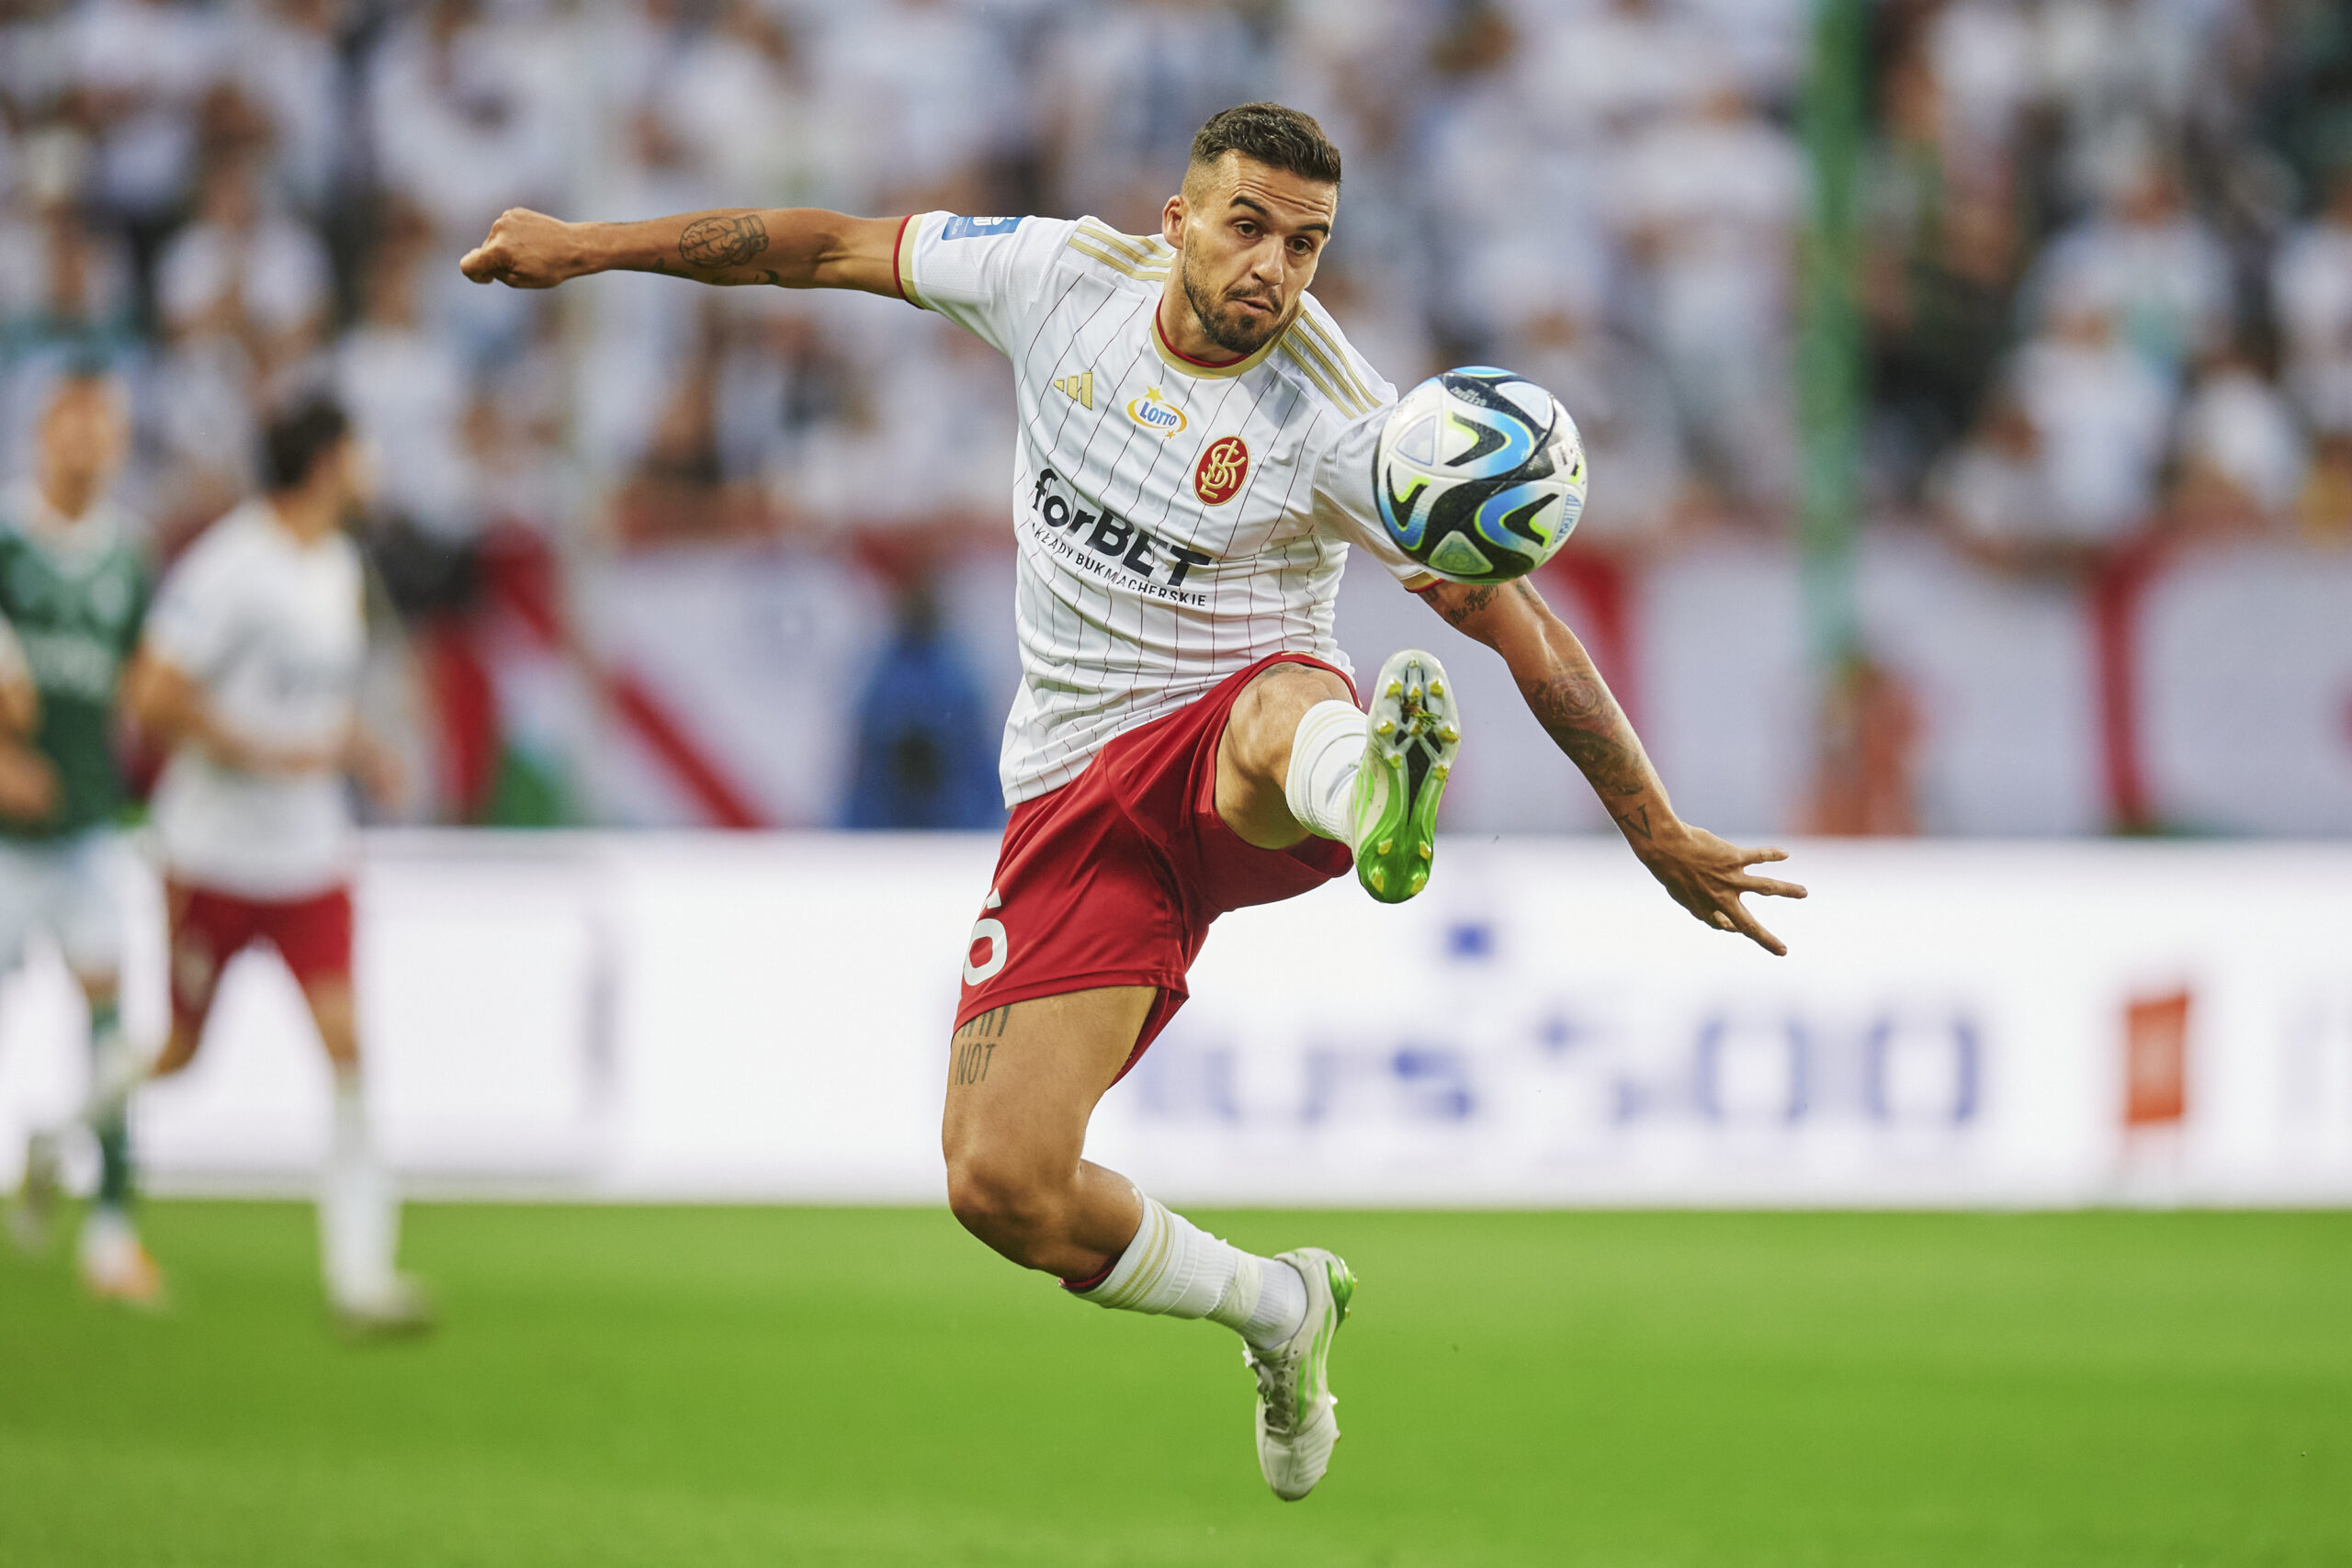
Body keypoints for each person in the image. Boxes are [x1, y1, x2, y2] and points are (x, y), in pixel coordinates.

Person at [461, 101, 1803, 1498]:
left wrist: (1652, 825)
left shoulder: (1344, 425)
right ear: (1177, 220)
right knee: (1001, 1184)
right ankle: (1276, 1306)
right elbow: (821, 246)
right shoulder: (1053, 280)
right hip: (1073, 792)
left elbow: (1520, 626)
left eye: (1306, 244)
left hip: (1237, 752)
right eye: (1247, 226)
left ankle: (1375, 800)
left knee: (1280, 704)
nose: (1272, 268)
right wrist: (586, 247)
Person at [120, 395, 429, 1336]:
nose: (373, 465)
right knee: (179, 1054)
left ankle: (361, 1277)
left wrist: (362, 748)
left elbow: (311, 701)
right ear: (327, 461)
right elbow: (151, 694)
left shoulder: (336, 563)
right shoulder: (230, 567)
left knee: (349, 1049)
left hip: (308, 855)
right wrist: (260, 752)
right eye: (361, 449)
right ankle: (61, 1137)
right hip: (213, 852)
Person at [0, 369, 158, 1303]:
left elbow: (140, 683)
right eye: (72, 424)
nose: (87, 442)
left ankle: (112, 1232)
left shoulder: (128, 556)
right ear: (42, 433)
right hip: (4, 838)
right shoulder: (8, 537)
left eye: (103, 427)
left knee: (111, 1035)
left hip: (89, 823)